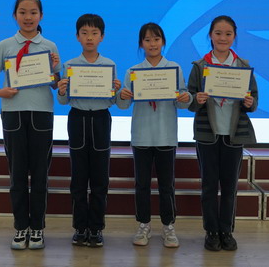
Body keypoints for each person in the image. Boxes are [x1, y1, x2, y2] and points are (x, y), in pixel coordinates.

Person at [0, 0, 61, 250]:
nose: (28, 17)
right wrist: (0, 91)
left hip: (41, 113)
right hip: (13, 113)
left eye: (33, 12)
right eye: (23, 12)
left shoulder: (49, 46)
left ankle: (37, 227)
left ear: (41, 16)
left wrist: (55, 69)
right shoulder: (5, 45)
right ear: (15, 15)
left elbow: (55, 84)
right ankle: (20, 227)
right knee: (17, 174)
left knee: (40, 174)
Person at [116, 22, 192, 248]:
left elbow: (183, 102)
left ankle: (168, 226)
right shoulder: (133, 72)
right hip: (141, 136)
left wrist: (185, 98)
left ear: (163, 42)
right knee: (142, 185)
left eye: (156, 39)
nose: (152, 44)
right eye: (147, 40)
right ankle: (144, 225)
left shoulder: (174, 69)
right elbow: (122, 105)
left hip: (166, 135)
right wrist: (122, 95)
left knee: (167, 185)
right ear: (141, 44)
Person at [186, 15, 258, 252]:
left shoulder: (243, 67)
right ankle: (211, 231)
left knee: (229, 186)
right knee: (209, 185)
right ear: (210, 35)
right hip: (208, 134)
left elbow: (254, 99)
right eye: (218, 33)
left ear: (234, 37)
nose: (223, 38)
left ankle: (226, 231)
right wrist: (196, 99)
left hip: (234, 134)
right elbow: (190, 100)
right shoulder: (200, 66)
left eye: (228, 34)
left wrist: (250, 102)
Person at [57, 13, 121, 248]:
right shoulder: (70, 66)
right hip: (77, 119)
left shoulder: (109, 65)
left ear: (102, 37)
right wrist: (61, 90)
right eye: (84, 33)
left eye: (94, 33)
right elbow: (63, 102)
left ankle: (96, 228)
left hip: (101, 119)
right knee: (79, 177)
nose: (89, 37)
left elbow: (113, 101)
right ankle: (80, 227)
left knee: (100, 178)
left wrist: (116, 90)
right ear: (77, 37)